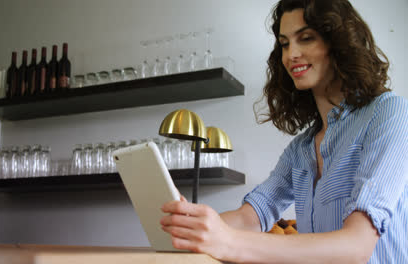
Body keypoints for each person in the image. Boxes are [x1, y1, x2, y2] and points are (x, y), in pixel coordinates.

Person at [160, 0, 408, 263]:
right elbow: (251, 216)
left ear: (339, 44)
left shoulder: (389, 114)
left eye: (306, 38)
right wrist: (193, 227)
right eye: (285, 43)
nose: (291, 55)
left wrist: (229, 241)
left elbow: (357, 245)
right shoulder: (301, 149)